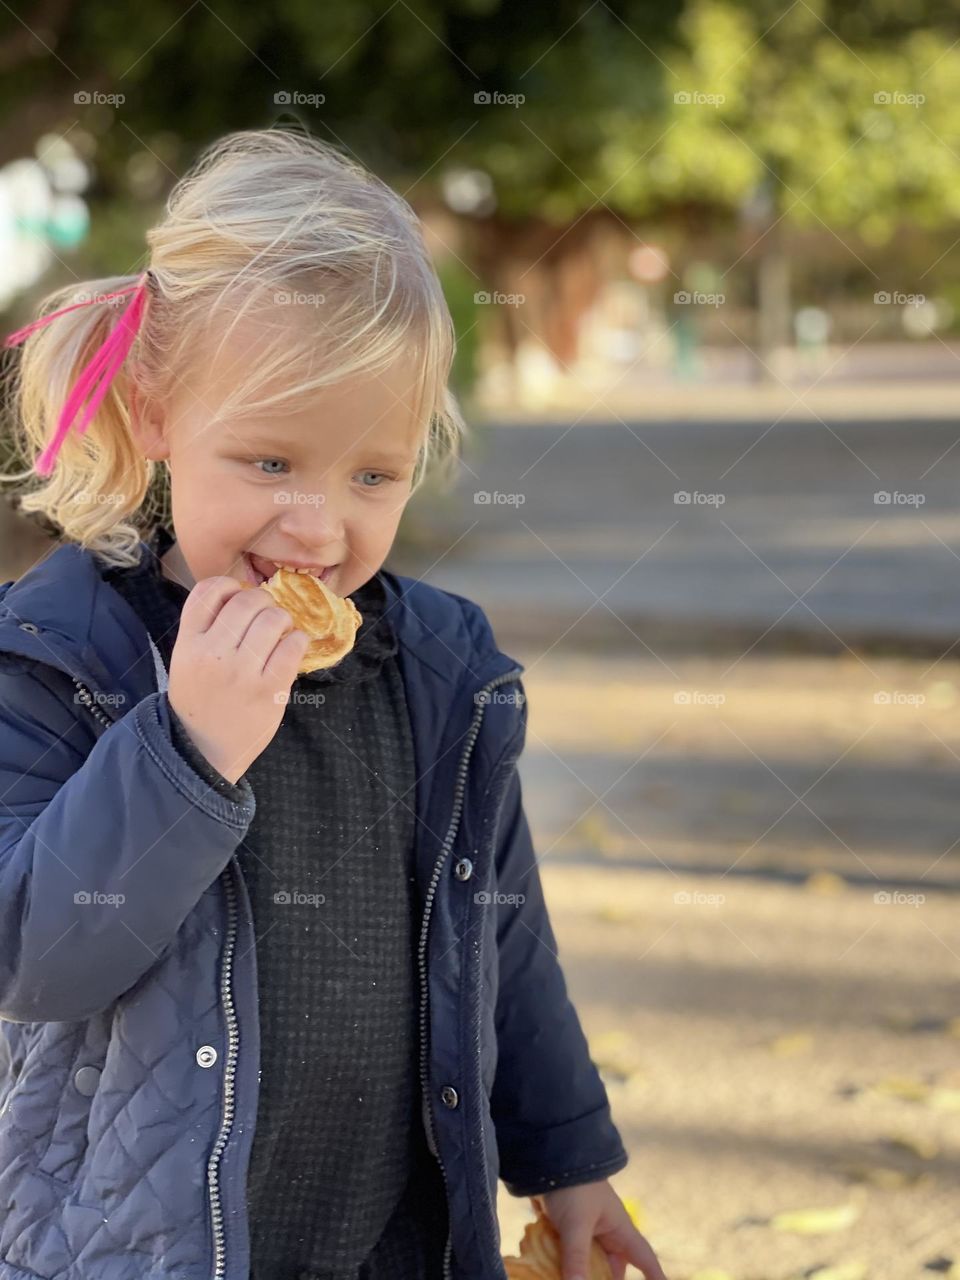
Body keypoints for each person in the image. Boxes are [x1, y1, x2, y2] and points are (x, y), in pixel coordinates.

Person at [0, 127, 668, 1280]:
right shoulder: (61, 657)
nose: (317, 525)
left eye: (373, 475)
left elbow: (503, 929)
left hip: (392, 1240)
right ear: (156, 414)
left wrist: (568, 1159)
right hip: (137, 1248)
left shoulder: (440, 669)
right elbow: (32, 958)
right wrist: (186, 750)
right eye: (269, 462)